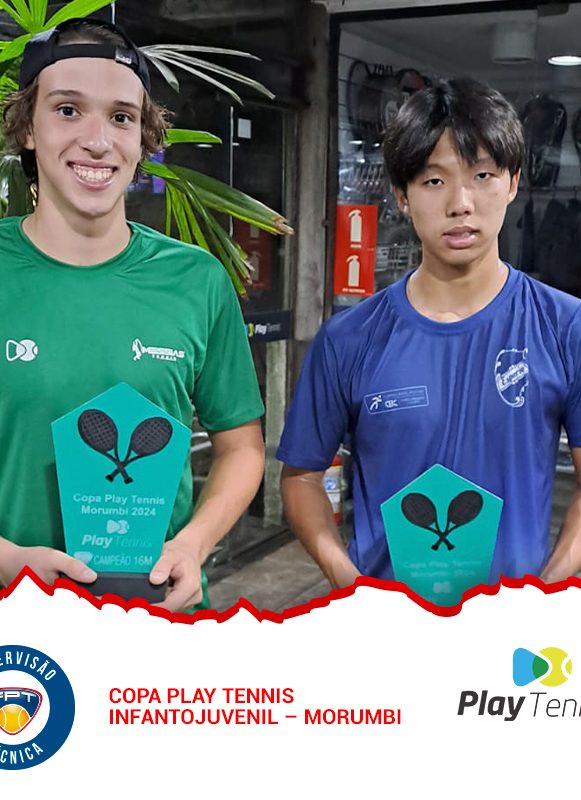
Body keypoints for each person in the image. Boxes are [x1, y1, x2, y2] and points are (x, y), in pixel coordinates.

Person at [0, 18, 265, 611]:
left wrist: (193, 545)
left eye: (121, 117)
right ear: (28, 129)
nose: (98, 141)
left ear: (143, 138)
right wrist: (9, 560)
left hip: (156, 618)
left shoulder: (196, 280)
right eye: (68, 110)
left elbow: (242, 448)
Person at [277, 77, 581, 592]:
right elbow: (302, 476)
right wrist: (350, 583)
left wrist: (542, 591)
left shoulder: (565, 327)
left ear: (512, 183)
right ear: (402, 195)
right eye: (434, 181)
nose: (461, 203)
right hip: (385, 626)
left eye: (482, 175)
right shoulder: (348, 339)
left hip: (511, 630)